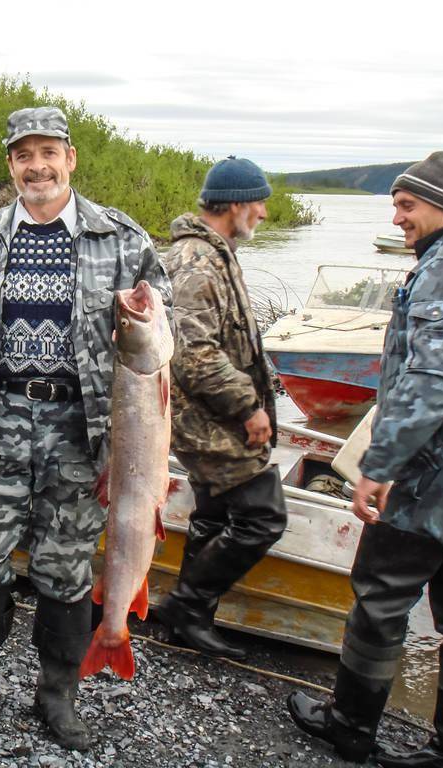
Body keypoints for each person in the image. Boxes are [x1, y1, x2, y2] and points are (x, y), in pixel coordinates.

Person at [0, 106, 171, 750]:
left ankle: (58, 692)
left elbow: (163, 329)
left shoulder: (122, 240)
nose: (36, 166)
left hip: (84, 431)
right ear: (11, 166)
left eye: (49, 153)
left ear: (71, 158)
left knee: (65, 568)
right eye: (23, 156)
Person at [286, 151, 443, 766]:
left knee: (380, 600)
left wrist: (378, 466)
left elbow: (435, 382)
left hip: (442, 478)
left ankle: (349, 726)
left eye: (407, 205)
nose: (398, 217)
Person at [151, 156, 287, 661]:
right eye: (259, 202)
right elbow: (194, 355)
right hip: (204, 418)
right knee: (262, 516)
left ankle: (189, 622)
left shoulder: (216, 254)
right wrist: (250, 407)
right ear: (235, 205)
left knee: (212, 511)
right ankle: (187, 606)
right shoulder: (195, 262)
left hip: (209, 413)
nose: (265, 214)